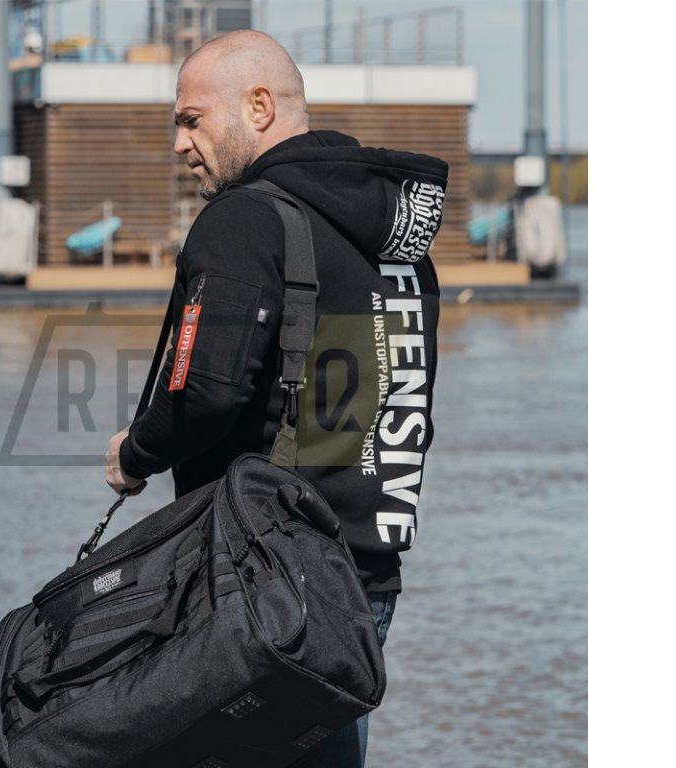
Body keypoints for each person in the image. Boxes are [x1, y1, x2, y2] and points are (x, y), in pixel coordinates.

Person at [105, 29, 448, 768]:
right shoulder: (394, 240)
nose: (179, 143)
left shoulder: (245, 219)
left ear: (258, 107)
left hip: (261, 580)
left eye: (191, 119)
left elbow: (204, 390)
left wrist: (135, 453)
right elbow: (391, 395)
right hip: (364, 579)